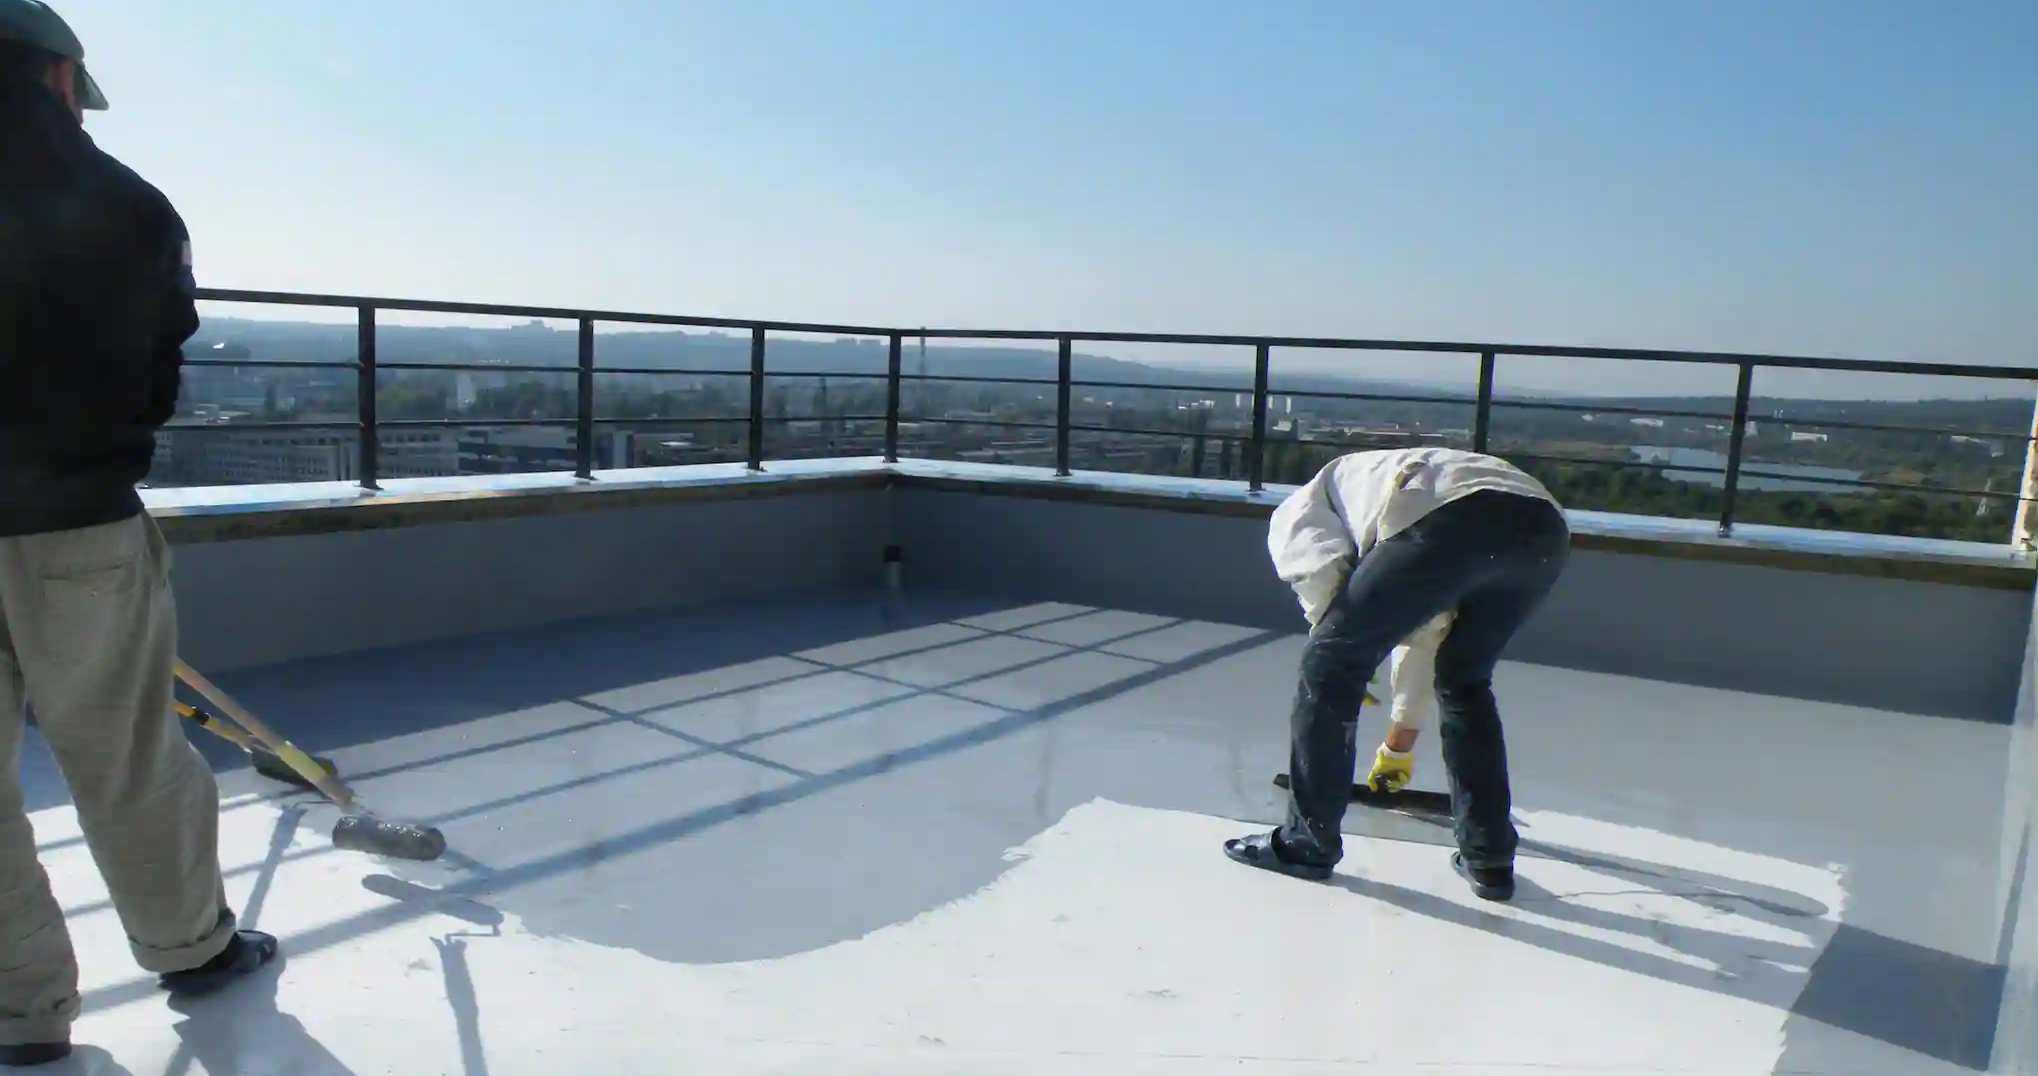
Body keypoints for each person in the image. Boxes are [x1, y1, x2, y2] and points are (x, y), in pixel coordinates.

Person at [0, 2, 276, 1065]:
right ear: (60, 78)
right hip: (78, 527)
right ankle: (191, 948)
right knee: (124, 759)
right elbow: (159, 368)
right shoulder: (131, 206)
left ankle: (21, 1014)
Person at [1224, 446, 1570, 901]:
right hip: (1543, 529)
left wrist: (1348, 658)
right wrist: (1397, 742)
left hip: (1454, 515)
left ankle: (1305, 844)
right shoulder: (1374, 488)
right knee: (1464, 680)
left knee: (1326, 667)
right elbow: (1426, 632)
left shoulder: (1301, 508)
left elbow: (1321, 576)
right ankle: (1489, 857)